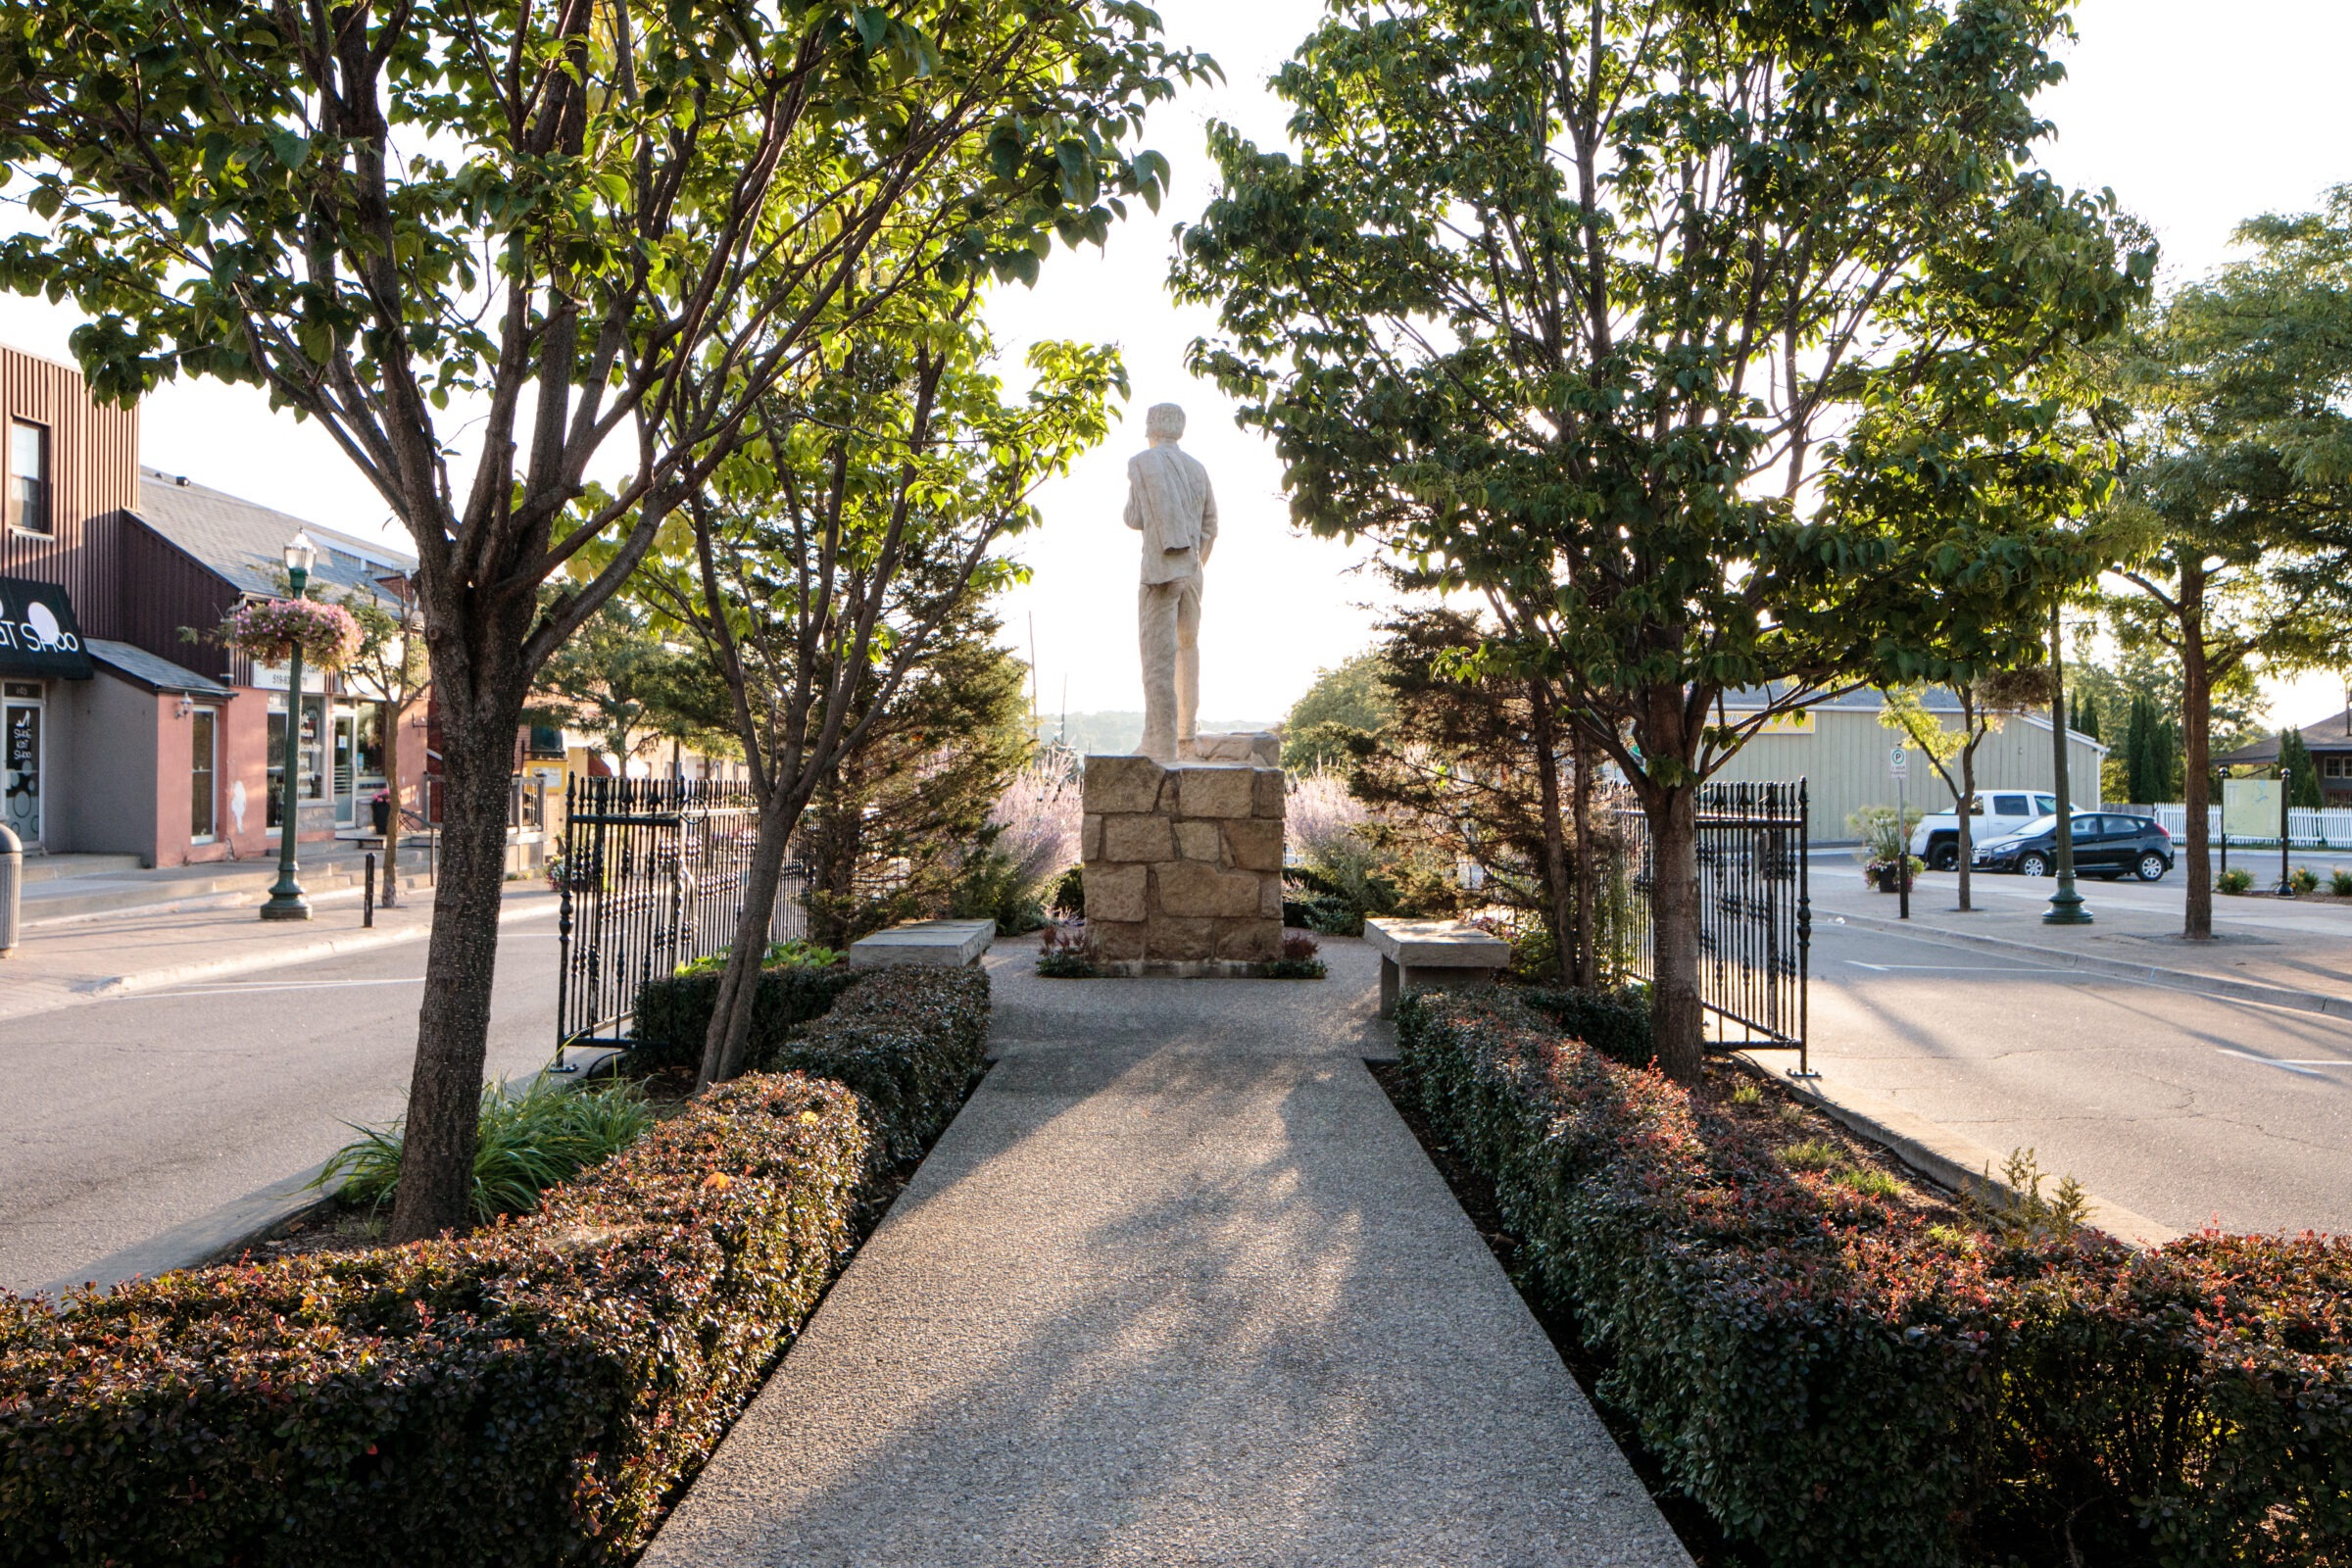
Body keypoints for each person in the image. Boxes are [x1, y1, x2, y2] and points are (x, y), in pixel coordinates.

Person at [1123, 402, 1218, 760]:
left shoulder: (1142, 463)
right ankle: (1185, 733)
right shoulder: (1198, 469)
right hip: (1193, 569)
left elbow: (1134, 517)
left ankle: (1159, 742)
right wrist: (1193, 564)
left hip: (1160, 573)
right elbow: (1211, 526)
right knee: (1187, 648)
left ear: (1151, 428)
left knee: (1157, 655)